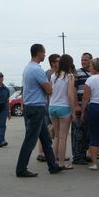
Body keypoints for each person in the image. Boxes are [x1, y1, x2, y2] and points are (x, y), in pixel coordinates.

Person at [15, 44, 63, 177]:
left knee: (46, 139)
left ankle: (52, 166)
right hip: (36, 107)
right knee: (30, 140)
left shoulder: (28, 68)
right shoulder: (37, 70)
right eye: (44, 52)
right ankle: (21, 169)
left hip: (34, 106)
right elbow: (49, 90)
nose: (45, 55)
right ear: (38, 53)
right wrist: (49, 88)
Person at [49, 54, 77, 170]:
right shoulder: (69, 76)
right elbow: (70, 96)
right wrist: (73, 111)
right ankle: (61, 163)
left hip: (52, 107)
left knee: (56, 136)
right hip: (64, 107)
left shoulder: (53, 76)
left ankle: (52, 161)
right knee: (63, 137)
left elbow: (50, 92)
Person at [36, 53, 60, 162]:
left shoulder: (60, 73)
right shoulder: (47, 73)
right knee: (45, 128)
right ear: (53, 63)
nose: (60, 63)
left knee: (55, 130)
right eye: (58, 61)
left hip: (55, 104)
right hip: (48, 104)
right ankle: (41, 152)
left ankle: (56, 152)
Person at [71, 52, 93, 165]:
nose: (83, 61)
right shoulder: (77, 73)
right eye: (82, 59)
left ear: (91, 61)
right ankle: (77, 156)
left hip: (91, 107)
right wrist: (76, 105)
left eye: (86, 60)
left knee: (88, 133)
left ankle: (83, 154)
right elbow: (73, 89)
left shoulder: (94, 73)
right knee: (78, 132)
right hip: (80, 106)